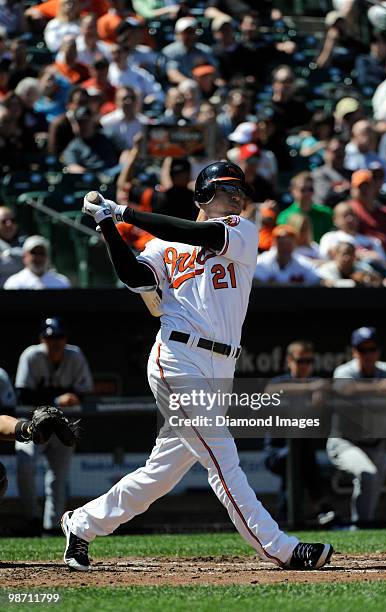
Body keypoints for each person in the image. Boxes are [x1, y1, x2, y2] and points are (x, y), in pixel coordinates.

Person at [61, 161, 333, 571]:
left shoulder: (239, 231)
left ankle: (81, 524)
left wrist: (124, 212)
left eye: (240, 191)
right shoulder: (161, 247)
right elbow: (136, 278)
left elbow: (195, 232)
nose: (237, 197)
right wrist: (105, 223)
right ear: (203, 196)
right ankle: (281, 548)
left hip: (222, 364)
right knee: (223, 458)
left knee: (162, 472)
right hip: (178, 355)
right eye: (227, 190)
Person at [15, 316, 92, 533]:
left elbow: (84, 389)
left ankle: (51, 527)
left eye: (59, 337)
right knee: (26, 466)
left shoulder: (74, 355)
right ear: (42, 339)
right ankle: (31, 519)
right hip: (32, 424)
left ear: (66, 338)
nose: (56, 342)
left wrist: (73, 398)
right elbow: (23, 394)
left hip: (62, 425)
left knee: (58, 478)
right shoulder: (31, 355)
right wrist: (58, 400)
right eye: (50, 338)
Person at [327, 327, 386, 525]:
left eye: (372, 349)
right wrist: (381, 388)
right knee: (367, 474)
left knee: (371, 491)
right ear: (354, 351)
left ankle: (361, 531)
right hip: (345, 442)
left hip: (376, 443)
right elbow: (344, 387)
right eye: (363, 349)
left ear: (378, 351)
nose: (368, 354)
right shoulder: (345, 370)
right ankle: (359, 527)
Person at [264, 340, 336, 525]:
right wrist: (309, 388)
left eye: (309, 361)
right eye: (300, 361)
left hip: (303, 455)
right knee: (299, 453)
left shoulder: (316, 383)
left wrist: (320, 393)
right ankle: (319, 505)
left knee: (300, 455)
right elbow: (270, 391)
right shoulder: (280, 382)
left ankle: (286, 519)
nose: (305, 366)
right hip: (276, 453)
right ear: (289, 360)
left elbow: (328, 388)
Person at [319, 202, 386, 267]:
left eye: (353, 215)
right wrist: (361, 255)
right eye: (345, 215)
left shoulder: (372, 241)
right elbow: (326, 257)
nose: (350, 219)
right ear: (335, 219)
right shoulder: (330, 238)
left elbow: (384, 263)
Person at [348, 169, 386, 253]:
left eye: (367, 186)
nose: (364, 190)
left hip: (385, 257)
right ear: (352, 190)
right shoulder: (348, 210)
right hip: (362, 256)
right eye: (360, 187)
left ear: (374, 187)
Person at [254, 225, 322, 286]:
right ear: (275, 243)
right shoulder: (262, 261)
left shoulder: (302, 263)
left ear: (295, 244)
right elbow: (255, 281)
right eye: (282, 243)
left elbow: (317, 279)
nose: (285, 248)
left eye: (288, 244)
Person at [61, 105, 121, 175]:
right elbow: (72, 166)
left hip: (113, 175)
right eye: (80, 123)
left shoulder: (108, 135)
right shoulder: (73, 146)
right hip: (90, 180)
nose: (83, 126)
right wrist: (87, 173)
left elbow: (125, 151)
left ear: (92, 121)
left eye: (86, 121)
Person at [276, 172, 333, 242]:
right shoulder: (284, 216)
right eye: (303, 190)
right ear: (293, 191)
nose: (308, 193)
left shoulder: (326, 213)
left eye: (310, 189)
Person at [162, 16, 217, 85]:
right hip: (180, 87)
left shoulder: (205, 50)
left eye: (192, 32)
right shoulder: (170, 52)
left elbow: (215, 71)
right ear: (178, 34)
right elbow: (172, 74)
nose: (190, 36)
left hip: (204, 86)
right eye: (186, 32)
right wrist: (191, 84)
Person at [4, 235, 71, 290]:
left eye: (42, 253)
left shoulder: (62, 282)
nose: (38, 258)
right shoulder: (14, 283)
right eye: (34, 253)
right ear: (25, 257)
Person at [100, 86, 146, 151]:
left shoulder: (144, 122)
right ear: (116, 101)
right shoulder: (106, 122)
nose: (128, 101)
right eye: (124, 98)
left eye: (132, 98)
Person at [312, 138, 352, 207]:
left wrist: (340, 188)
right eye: (336, 151)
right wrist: (346, 189)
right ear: (326, 152)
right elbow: (325, 194)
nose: (340, 154)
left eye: (342, 151)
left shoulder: (350, 173)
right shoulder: (318, 173)